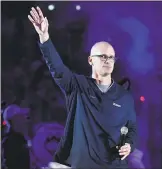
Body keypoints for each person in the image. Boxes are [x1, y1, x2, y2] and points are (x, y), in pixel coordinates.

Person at [28, 6, 137, 169]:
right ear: (90, 60)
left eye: (111, 57)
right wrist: (44, 37)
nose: (107, 60)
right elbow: (57, 68)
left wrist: (129, 145)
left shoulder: (124, 96)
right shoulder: (78, 86)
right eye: (103, 56)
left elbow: (132, 128)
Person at [2, 104, 31, 169]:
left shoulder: (22, 139)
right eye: (21, 116)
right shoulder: (10, 142)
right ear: (14, 119)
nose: (25, 119)